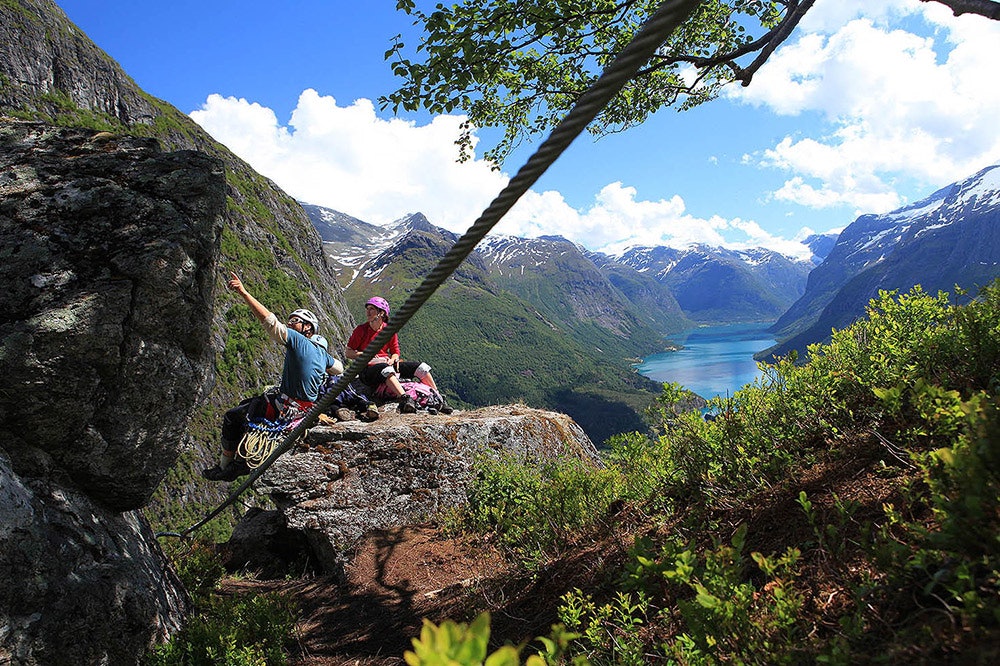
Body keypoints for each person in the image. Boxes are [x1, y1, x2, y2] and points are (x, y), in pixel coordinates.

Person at [202, 272, 344, 482]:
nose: (291, 323)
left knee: (234, 416)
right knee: (249, 407)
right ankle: (238, 462)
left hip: (285, 405)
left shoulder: (298, 340)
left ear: (308, 329)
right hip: (305, 410)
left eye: (296, 321)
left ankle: (225, 466)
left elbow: (270, 321)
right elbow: (339, 369)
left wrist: (243, 292)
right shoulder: (324, 355)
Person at [345, 296, 452, 414]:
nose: (368, 312)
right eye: (367, 309)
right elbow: (349, 353)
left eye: (372, 309)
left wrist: (393, 359)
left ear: (381, 313)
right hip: (367, 370)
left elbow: (395, 352)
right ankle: (406, 398)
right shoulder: (361, 330)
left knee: (421, 367)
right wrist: (367, 354)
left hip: (386, 363)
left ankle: (438, 398)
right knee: (386, 369)